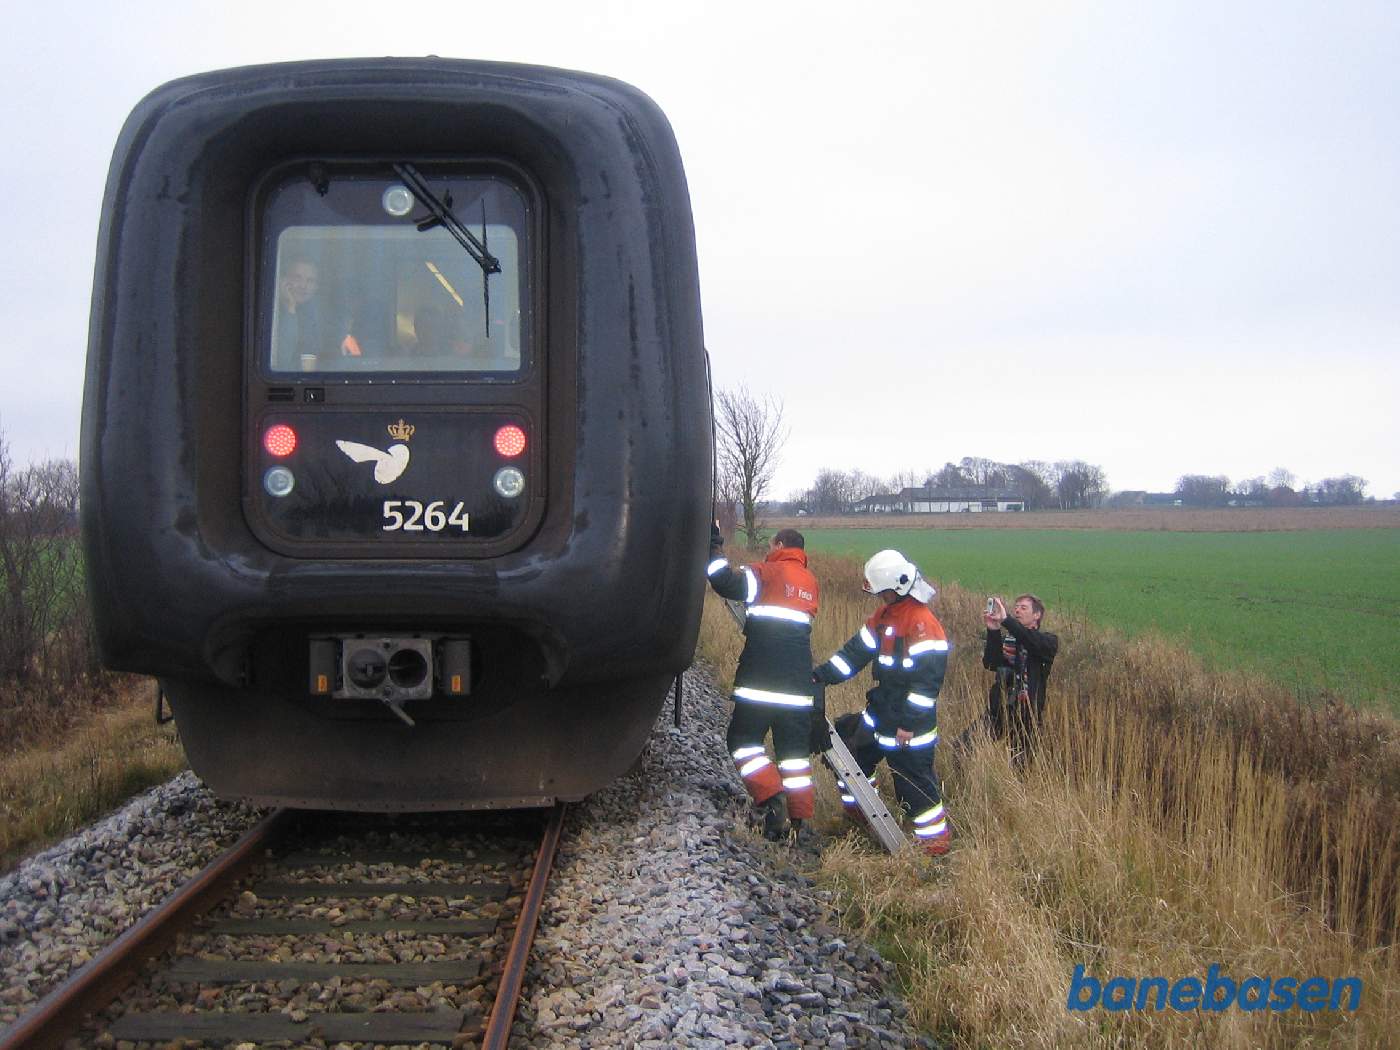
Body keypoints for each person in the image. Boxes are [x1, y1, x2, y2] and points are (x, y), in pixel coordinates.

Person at [812, 549, 951, 855]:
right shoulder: (884, 617)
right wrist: (820, 675)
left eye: (883, 592)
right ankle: (861, 813)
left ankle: (934, 845)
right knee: (852, 752)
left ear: (897, 588)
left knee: (913, 784)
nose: (879, 597)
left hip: (909, 724)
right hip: (882, 710)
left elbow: (926, 686)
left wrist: (908, 725)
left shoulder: (922, 625)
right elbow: (853, 654)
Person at [706, 524, 820, 842]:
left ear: (780, 544)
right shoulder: (810, 581)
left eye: (772, 544)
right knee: (794, 756)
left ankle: (772, 800)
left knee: (743, 741)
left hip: (761, 681)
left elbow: (724, 581)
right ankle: (798, 823)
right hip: (798, 687)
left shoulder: (767, 572)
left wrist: (713, 545)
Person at [983, 594, 1058, 763]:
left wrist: (1007, 620)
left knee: (1020, 765)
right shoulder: (1008, 641)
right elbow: (990, 664)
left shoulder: (1047, 642)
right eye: (1016, 607)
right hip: (1001, 709)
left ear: (1037, 616)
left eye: (1023, 608)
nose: (1018, 610)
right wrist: (993, 630)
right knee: (963, 747)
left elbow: (1030, 641)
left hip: (1026, 715)